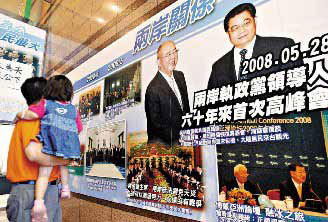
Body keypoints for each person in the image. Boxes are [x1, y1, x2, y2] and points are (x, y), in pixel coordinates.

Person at [16, 75, 82, 221]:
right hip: (68, 149)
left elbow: (31, 114)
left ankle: (38, 203)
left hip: (50, 145)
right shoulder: (73, 110)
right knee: (63, 166)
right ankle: (65, 188)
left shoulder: (46, 104)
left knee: (44, 175)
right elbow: (79, 128)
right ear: (69, 91)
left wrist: (19, 115)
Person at [6, 77, 69, 222]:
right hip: (33, 193)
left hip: (35, 190)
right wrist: (66, 158)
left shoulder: (27, 118)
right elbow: (35, 154)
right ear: (44, 95)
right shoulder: (35, 120)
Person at [207, 3, 303, 89]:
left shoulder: (282, 47)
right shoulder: (218, 67)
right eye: (235, 28)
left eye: (246, 23)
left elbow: (299, 88)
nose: (242, 30)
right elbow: (210, 106)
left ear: (255, 21)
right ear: (228, 33)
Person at [145, 40, 190, 145]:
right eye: (168, 54)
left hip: (184, 142)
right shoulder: (152, 89)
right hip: (164, 147)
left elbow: (185, 110)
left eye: (175, 52)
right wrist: (180, 138)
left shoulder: (180, 76)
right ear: (159, 62)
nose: (173, 57)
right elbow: (156, 126)